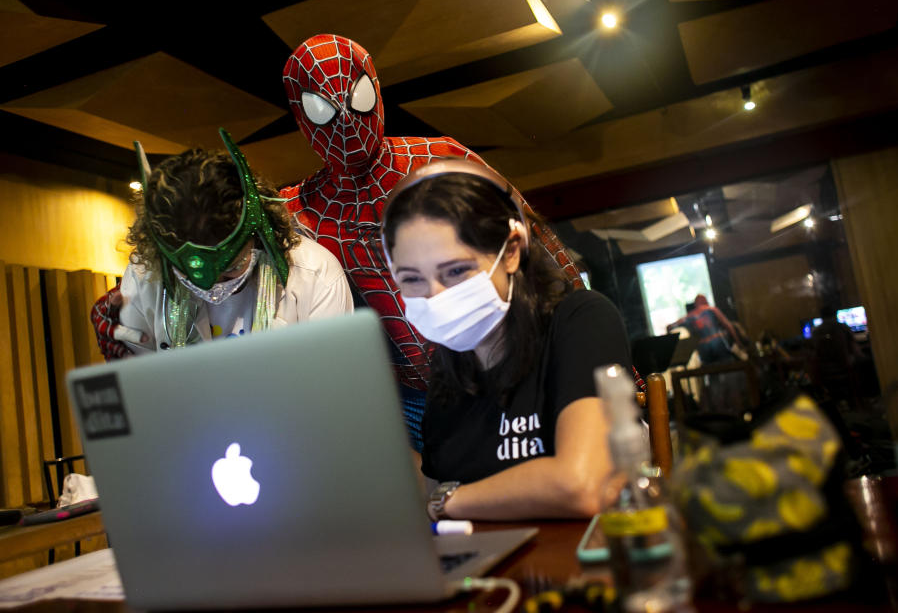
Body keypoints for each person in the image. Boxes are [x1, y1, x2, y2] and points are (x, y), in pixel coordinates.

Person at [91, 34, 584, 450]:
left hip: (507, 359)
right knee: (435, 503)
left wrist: (588, 347)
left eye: (358, 97)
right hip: (413, 394)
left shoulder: (440, 158)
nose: (347, 120)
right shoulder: (295, 210)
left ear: (377, 89)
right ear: (302, 116)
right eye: (323, 108)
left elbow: (532, 240)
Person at [380, 159, 634, 520]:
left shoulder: (580, 320)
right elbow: (440, 480)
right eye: (412, 279)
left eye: (455, 271)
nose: (434, 296)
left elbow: (582, 484)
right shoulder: (447, 364)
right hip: (486, 565)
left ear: (512, 250)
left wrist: (442, 503)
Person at [112, 129, 352, 353]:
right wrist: (120, 346)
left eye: (231, 269)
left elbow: (334, 382)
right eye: (190, 276)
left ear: (257, 233)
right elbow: (142, 377)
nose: (213, 289)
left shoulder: (315, 273)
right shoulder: (144, 277)